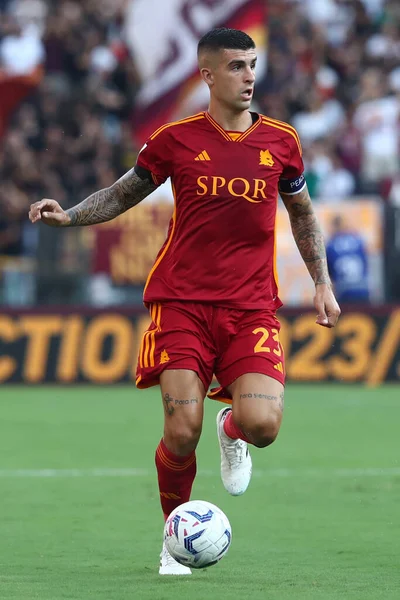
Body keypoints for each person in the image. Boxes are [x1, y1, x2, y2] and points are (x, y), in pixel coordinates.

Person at [29, 28, 341, 575]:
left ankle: (233, 431)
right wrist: (70, 216)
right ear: (208, 76)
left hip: (251, 308)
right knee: (180, 429)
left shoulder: (282, 142)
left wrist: (322, 282)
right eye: (237, 67)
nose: (249, 76)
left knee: (263, 425)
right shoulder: (175, 138)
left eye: (252, 65)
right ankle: (174, 540)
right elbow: (123, 193)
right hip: (182, 303)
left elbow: (304, 215)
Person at [326, 214, 370, 303]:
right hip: (362, 287)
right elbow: (365, 264)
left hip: (343, 290)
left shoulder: (330, 245)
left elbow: (328, 273)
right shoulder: (358, 241)